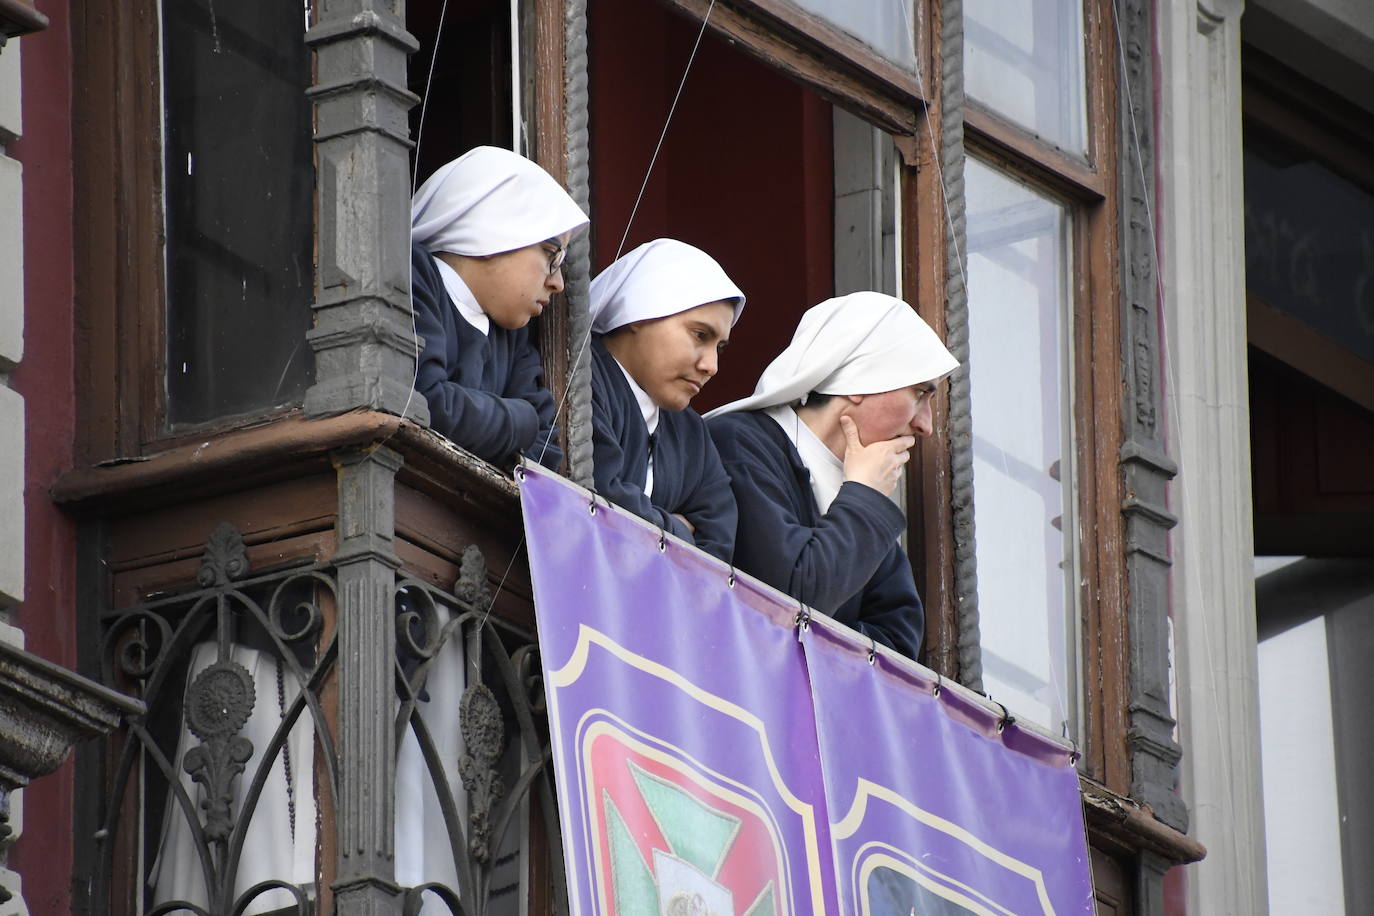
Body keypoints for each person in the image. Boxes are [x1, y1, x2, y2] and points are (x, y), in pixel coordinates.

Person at [706, 292, 958, 659]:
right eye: (919, 394)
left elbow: (898, 642)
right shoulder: (739, 443)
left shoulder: (864, 485)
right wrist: (863, 495)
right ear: (860, 381)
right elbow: (790, 604)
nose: (926, 425)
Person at [410, 145, 590, 470]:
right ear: (493, 233)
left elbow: (545, 452)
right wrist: (522, 418)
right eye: (552, 255)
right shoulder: (414, 273)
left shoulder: (513, 335)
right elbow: (425, 403)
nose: (558, 283)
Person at [588, 239, 745, 563]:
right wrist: (679, 529)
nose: (711, 366)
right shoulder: (579, 377)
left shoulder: (692, 433)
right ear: (639, 312)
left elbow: (717, 551)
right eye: (700, 335)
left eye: (721, 347)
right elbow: (597, 493)